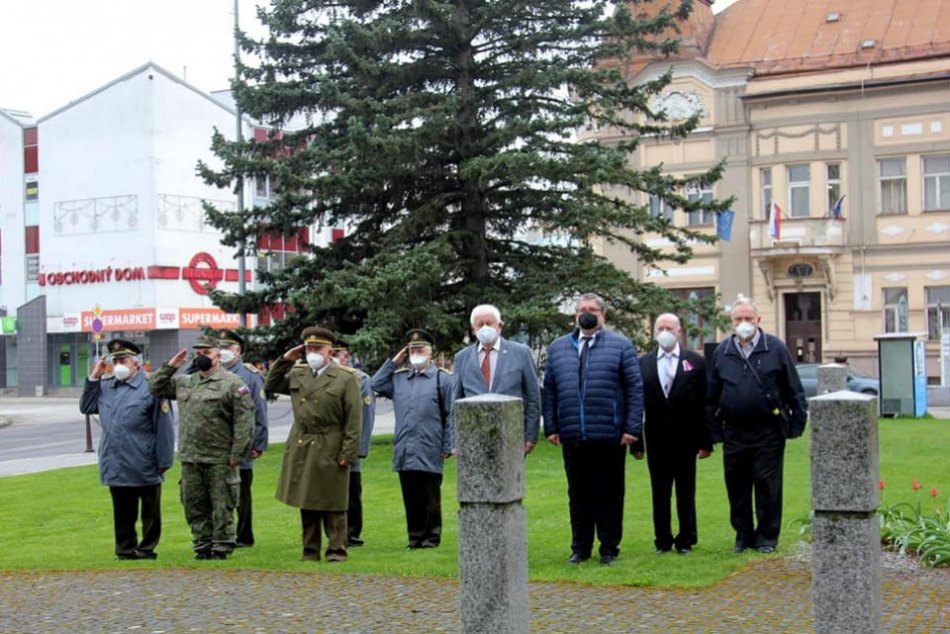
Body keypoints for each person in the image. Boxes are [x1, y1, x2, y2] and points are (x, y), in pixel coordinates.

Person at [543, 292, 643, 566]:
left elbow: (635, 389)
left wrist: (632, 427)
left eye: (592, 309)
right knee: (578, 494)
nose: (586, 313)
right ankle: (580, 547)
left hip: (609, 434)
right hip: (573, 434)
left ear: (602, 315)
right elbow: (549, 389)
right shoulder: (558, 347)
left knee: (609, 493)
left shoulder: (621, 346)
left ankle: (609, 547)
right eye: (581, 309)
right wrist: (551, 426)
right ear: (575, 315)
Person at [707, 297, 807, 554]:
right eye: (738, 319)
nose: (743, 324)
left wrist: (797, 423)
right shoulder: (723, 352)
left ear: (758, 320)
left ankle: (766, 537)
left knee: (768, 485)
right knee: (737, 486)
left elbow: (793, 388)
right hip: (734, 431)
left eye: (748, 319)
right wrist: (714, 430)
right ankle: (742, 535)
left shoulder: (775, 348)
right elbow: (711, 394)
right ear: (731, 322)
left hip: (768, 431)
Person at [149, 334, 254, 560]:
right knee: (193, 505)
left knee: (222, 505)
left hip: (220, 458)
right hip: (191, 458)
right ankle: (202, 545)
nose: (201, 357)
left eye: (206, 353)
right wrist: (171, 366)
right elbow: (156, 388)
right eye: (198, 353)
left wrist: (238, 454)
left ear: (218, 355)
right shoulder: (185, 382)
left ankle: (222, 546)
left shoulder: (233, 383)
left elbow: (244, 422)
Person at [266, 326, 362, 563]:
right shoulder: (299, 373)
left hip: (330, 442)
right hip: (303, 443)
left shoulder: (345, 377)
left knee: (333, 501)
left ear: (330, 351)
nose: (313, 352)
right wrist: (284, 360)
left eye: (318, 348)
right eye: (309, 348)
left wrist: (348, 452)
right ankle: (310, 551)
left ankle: (336, 551)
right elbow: (271, 385)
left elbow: (353, 418)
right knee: (306, 500)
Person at [80, 339, 175, 560]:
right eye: (115, 361)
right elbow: (86, 407)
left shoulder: (152, 386)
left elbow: (164, 428)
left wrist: (164, 460)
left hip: (144, 457)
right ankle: (125, 549)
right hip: (115, 458)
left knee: (150, 511)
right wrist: (94, 377)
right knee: (122, 509)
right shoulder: (106, 385)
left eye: (122, 360)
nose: (118, 365)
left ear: (137, 363)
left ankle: (147, 547)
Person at [633, 314, 712, 554]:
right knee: (660, 490)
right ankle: (662, 539)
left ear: (679, 332)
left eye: (669, 327)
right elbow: (636, 403)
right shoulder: (643, 363)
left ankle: (686, 538)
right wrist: (636, 441)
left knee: (685, 490)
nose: (665, 331)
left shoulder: (695, 363)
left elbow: (704, 404)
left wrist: (705, 441)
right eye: (660, 327)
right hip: (656, 437)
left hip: (686, 437)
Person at [371, 329, 455, 550]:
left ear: (430, 352)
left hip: (430, 446)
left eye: (420, 349)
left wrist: (448, 444)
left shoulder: (441, 379)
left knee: (430, 497)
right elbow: (375, 385)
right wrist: (393, 361)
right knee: (411, 497)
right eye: (412, 349)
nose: (416, 353)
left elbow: (451, 414)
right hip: (405, 447)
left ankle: (431, 538)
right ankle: (414, 538)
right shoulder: (399, 379)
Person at [451, 304, 541, 454]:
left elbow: (533, 398)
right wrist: (454, 440)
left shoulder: (521, 353)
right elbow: (455, 401)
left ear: (499, 326)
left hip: (511, 437)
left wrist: (531, 436)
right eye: (480, 324)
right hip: (473, 438)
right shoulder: (462, 358)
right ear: (473, 330)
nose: (485, 327)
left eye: (489, 323)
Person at [217, 329, 269, 548]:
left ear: (237, 351)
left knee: (241, 495)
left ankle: (244, 535)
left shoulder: (250, 375)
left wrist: (258, 443)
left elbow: (260, 411)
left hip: (243, 443)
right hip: (219, 443)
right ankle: (221, 534)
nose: (223, 352)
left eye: (227, 348)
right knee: (219, 492)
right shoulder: (214, 371)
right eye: (220, 348)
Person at [332, 338, 376, 547]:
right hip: (328, 445)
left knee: (351, 491)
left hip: (350, 444)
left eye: (335, 355)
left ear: (345, 357)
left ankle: (351, 532)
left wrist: (359, 449)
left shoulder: (360, 379)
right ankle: (334, 532)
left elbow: (366, 417)